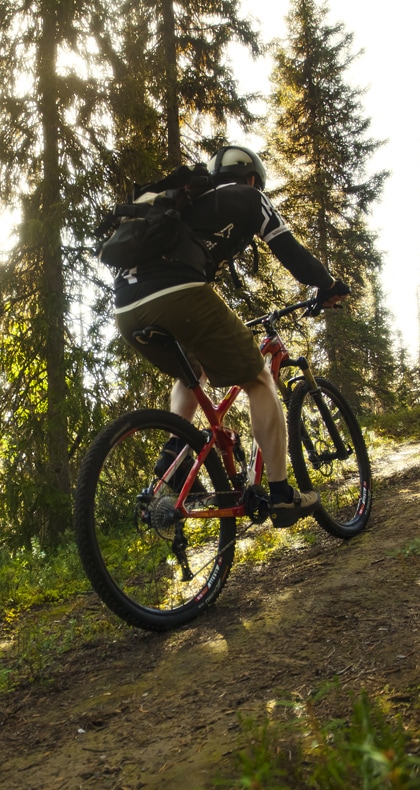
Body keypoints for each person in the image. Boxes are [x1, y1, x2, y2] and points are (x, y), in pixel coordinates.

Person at [112, 144, 350, 527]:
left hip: (124, 307)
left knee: (192, 369)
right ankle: (282, 495)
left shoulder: (186, 203)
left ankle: (177, 452)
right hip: (177, 295)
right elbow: (292, 253)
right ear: (253, 178)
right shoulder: (249, 196)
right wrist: (328, 285)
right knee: (258, 377)